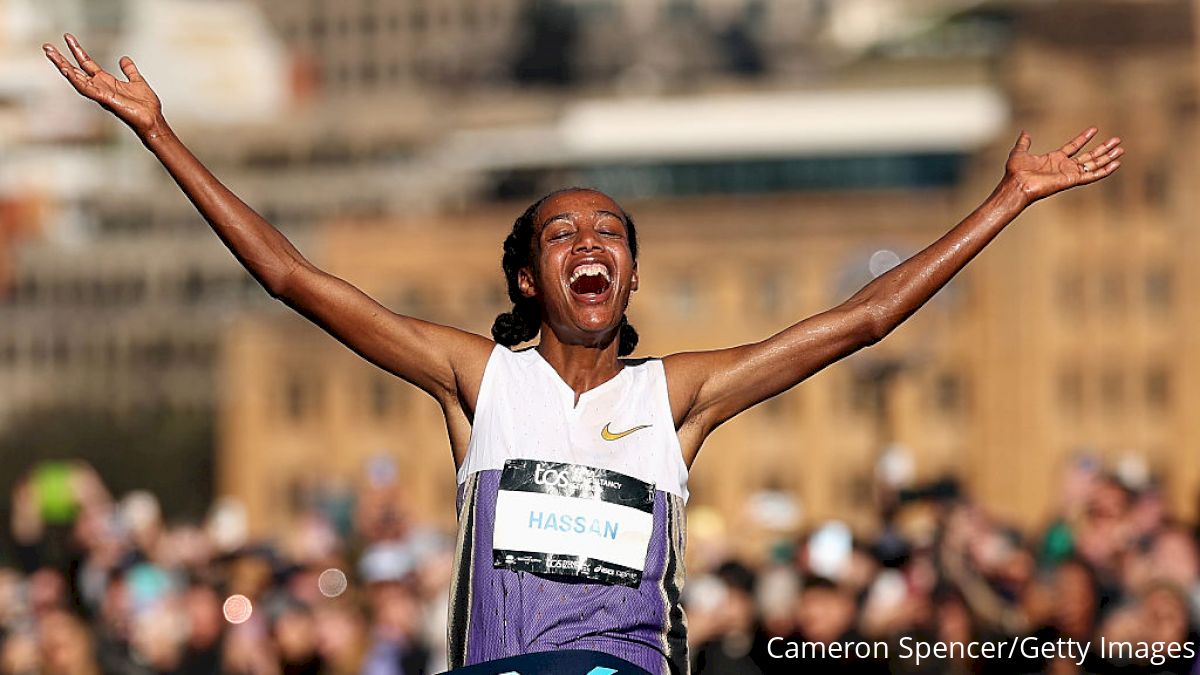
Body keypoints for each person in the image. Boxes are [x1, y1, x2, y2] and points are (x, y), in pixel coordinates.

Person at [43, 34, 1123, 675]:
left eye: (611, 233)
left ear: (633, 277)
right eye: (564, 233)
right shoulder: (479, 379)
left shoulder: (679, 396)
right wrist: (158, 132)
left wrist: (1008, 199)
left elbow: (862, 321)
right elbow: (290, 276)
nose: (591, 244)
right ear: (528, 279)